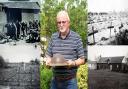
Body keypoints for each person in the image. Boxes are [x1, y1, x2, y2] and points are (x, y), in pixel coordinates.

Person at [45, 10, 86, 89]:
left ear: (69, 23)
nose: (61, 25)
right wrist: (48, 61)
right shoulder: (53, 37)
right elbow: (48, 55)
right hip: (55, 82)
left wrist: (73, 63)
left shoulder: (76, 38)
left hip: (70, 83)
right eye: (59, 22)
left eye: (63, 22)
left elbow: (82, 59)